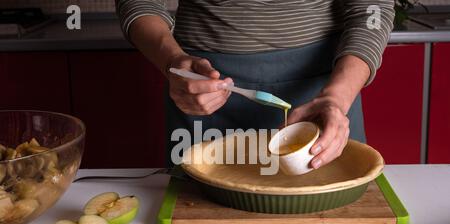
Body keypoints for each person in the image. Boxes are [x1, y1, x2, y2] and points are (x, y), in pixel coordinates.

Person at [116, 0, 395, 168]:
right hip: (204, 88)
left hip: (325, 97)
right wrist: (172, 61)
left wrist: (337, 96)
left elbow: (372, 8)